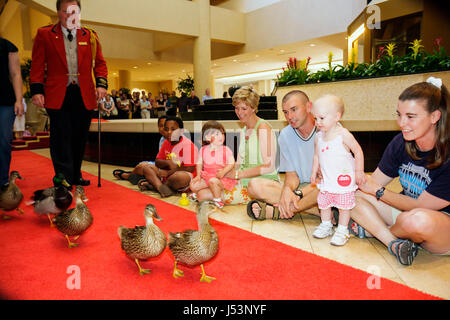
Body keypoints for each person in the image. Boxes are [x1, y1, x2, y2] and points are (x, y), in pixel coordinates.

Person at [350, 77, 450, 265]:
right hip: (405, 215)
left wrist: (378, 191)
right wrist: (350, 179)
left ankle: (373, 230)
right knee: (350, 196)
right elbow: (373, 183)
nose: (402, 123)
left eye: (411, 117)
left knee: (416, 221)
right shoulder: (400, 142)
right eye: (399, 115)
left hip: (439, 225)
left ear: (434, 117)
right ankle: (393, 240)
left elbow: (422, 206)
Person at [30, 0, 108, 188]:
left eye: (73, 11)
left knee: (80, 137)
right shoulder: (45, 34)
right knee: (60, 137)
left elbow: (100, 64)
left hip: (83, 94)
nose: (69, 15)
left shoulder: (90, 36)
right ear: (58, 12)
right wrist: (37, 90)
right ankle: (63, 176)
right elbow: (38, 65)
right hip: (57, 93)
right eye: (65, 11)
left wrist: (101, 85)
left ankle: (75, 174)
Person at [246, 90, 320, 221]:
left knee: (328, 188)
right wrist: (287, 190)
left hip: (320, 188)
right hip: (301, 189)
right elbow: (292, 175)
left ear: (309, 107)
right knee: (254, 186)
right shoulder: (285, 135)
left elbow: (327, 179)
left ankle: (279, 212)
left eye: (294, 109)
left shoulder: (327, 128)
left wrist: (298, 194)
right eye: (286, 112)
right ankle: (315, 211)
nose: (289, 116)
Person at [199, 86, 279, 205]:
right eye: (237, 108)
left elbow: (269, 166)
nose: (239, 113)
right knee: (202, 191)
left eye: (244, 108)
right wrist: (223, 170)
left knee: (204, 195)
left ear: (253, 108)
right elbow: (239, 163)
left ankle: (267, 199)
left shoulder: (263, 127)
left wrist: (237, 175)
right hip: (242, 181)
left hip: (261, 183)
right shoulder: (244, 129)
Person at [310, 95, 365, 246]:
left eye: (321, 118)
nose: (318, 122)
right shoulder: (318, 137)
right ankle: (326, 224)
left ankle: (342, 230)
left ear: (337, 117)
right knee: (324, 204)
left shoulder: (343, 135)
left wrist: (359, 172)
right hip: (327, 180)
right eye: (315, 118)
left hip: (343, 181)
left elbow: (358, 151)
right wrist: (314, 171)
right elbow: (316, 156)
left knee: (343, 207)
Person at [116, 117, 198, 198]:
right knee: (147, 168)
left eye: (173, 129)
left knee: (179, 177)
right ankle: (161, 188)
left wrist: (168, 173)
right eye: (166, 129)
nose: (169, 132)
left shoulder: (188, 145)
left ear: (181, 131)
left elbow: (189, 169)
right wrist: (167, 163)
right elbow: (157, 161)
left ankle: (155, 186)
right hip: (165, 175)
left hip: (181, 178)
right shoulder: (166, 142)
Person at [189, 120, 237, 209]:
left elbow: (231, 163)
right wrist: (198, 175)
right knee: (193, 185)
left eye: (222, 134)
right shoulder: (203, 150)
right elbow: (199, 163)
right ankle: (201, 193)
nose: (221, 136)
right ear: (207, 137)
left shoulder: (226, 149)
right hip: (207, 177)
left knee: (213, 181)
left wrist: (223, 172)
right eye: (217, 134)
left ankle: (217, 200)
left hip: (221, 179)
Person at [113, 115, 169, 185]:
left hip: (168, 169)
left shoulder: (174, 139)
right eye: (161, 126)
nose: (163, 128)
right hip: (160, 166)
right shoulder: (162, 139)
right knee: (141, 165)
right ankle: (138, 176)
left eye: (165, 125)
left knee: (142, 167)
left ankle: (128, 176)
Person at [0, 37, 24, 190]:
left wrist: (19, 100)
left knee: (3, 141)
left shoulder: (7, 46)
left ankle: (2, 181)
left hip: (5, 101)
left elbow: (15, 74)